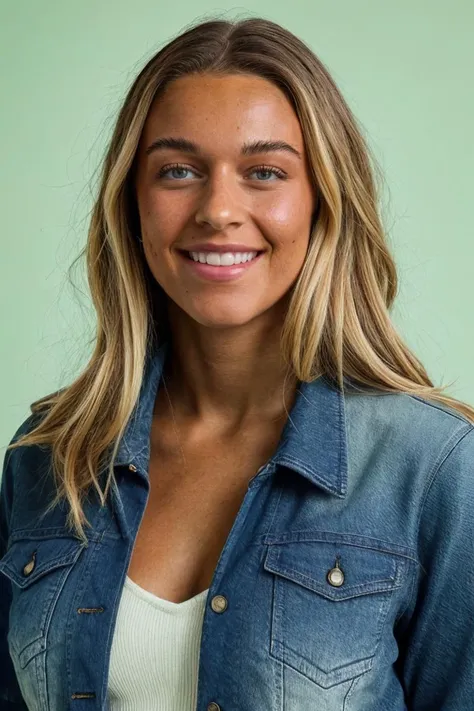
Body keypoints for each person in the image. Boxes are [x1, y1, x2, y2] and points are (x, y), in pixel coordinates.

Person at [1, 15, 473, 711]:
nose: (218, 209)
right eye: (178, 171)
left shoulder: (431, 467)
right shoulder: (49, 455)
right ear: (132, 203)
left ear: (322, 200)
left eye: (264, 172)